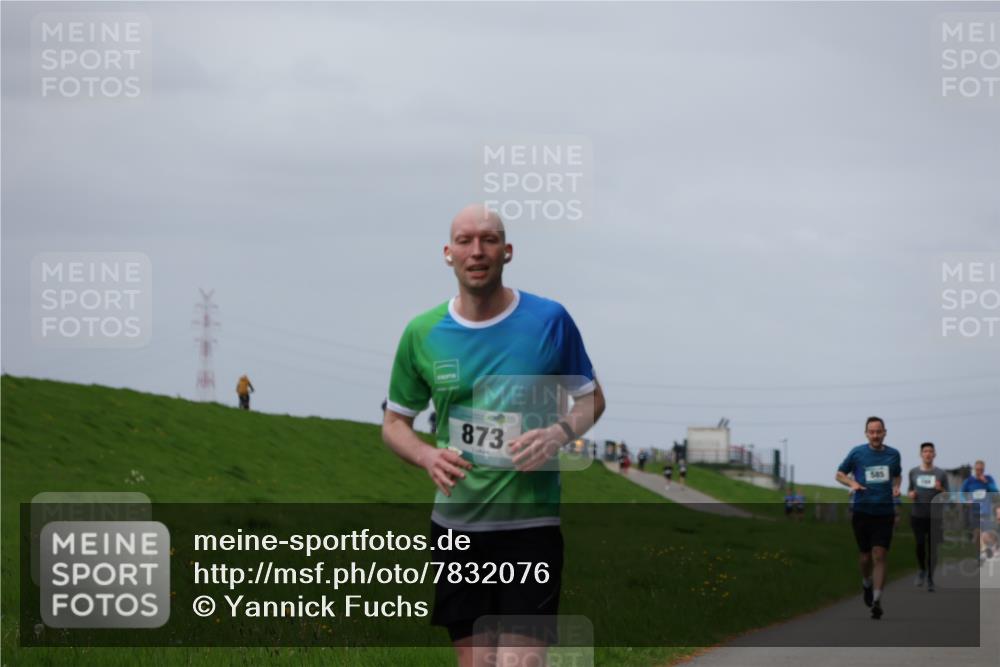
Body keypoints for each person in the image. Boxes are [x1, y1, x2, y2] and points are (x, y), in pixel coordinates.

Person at [381, 204, 605, 667]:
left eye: (488, 240)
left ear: (507, 252)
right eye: (465, 241)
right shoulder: (422, 333)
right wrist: (426, 457)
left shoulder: (549, 320)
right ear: (448, 253)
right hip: (457, 530)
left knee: (520, 662)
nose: (477, 251)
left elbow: (591, 399)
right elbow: (394, 424)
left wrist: (558, 433)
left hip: (530, 527)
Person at [835, 416, 902, 620]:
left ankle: (877, 599)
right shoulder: (857, 453)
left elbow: (897, 474)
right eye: (871, 432)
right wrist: (852, 484)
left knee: (880, 555)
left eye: (878, 431)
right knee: (865, 557)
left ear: (884, 432)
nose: (875, 435)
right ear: (866, 433)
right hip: (862, 511)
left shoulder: (893, 454)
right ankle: (866, 583)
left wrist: (896, 486)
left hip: (884, 512)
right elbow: (839, 474)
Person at [907, 442, 949, 591]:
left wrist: (941, 489)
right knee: (919, 544)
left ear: (934, 454)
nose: (928, 454)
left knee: (933, 548)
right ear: (921, 454)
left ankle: (931, 577)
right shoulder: (913, 472)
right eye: (925, 451)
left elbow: (947, 496)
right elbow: (910, 490)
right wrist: (911, 494)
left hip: (935, 517)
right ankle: (922, 569)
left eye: (931, 451)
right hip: (917, 515)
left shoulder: (941, 474)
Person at [960, 460, 998, 547]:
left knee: (986, 533)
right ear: (974, 469)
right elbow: (962, 493)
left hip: (985, 511)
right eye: (977, 470)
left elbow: (995, 491)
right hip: (973, 511)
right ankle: (978, 549)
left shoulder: (988, 479)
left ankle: (985, 550)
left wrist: (986, 482)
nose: (979, 472)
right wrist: (965, 501)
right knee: (976, 533)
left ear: (983, 470)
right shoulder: (969, 481)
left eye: (981, 470)